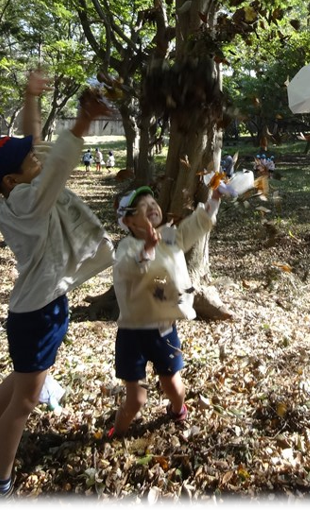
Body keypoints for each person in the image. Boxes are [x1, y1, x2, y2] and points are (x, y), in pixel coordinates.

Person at [0, 71, 115, 508]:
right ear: (12, 181)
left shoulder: (17, 193)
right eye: (27, 161)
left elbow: (33, 146)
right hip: (38, 314)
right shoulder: (29, 202)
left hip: (40, 307)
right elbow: (59, 164)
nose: (36, 157)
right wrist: (82, 125)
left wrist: (31, 96)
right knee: (27, 401)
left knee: (23, 374)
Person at [110, 184, 223, 437]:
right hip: (132, 335)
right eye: (142, 206)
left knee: (173, 386)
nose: (152, 207)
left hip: (164, 330)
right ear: (128, 220)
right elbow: (134, 268)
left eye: (153, 202)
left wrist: (214, 199)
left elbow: (196, 225)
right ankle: (117, 433)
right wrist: (148, 247)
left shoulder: (169, 236)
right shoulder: (126, 249)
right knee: (136, 399)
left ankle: (176, 408)